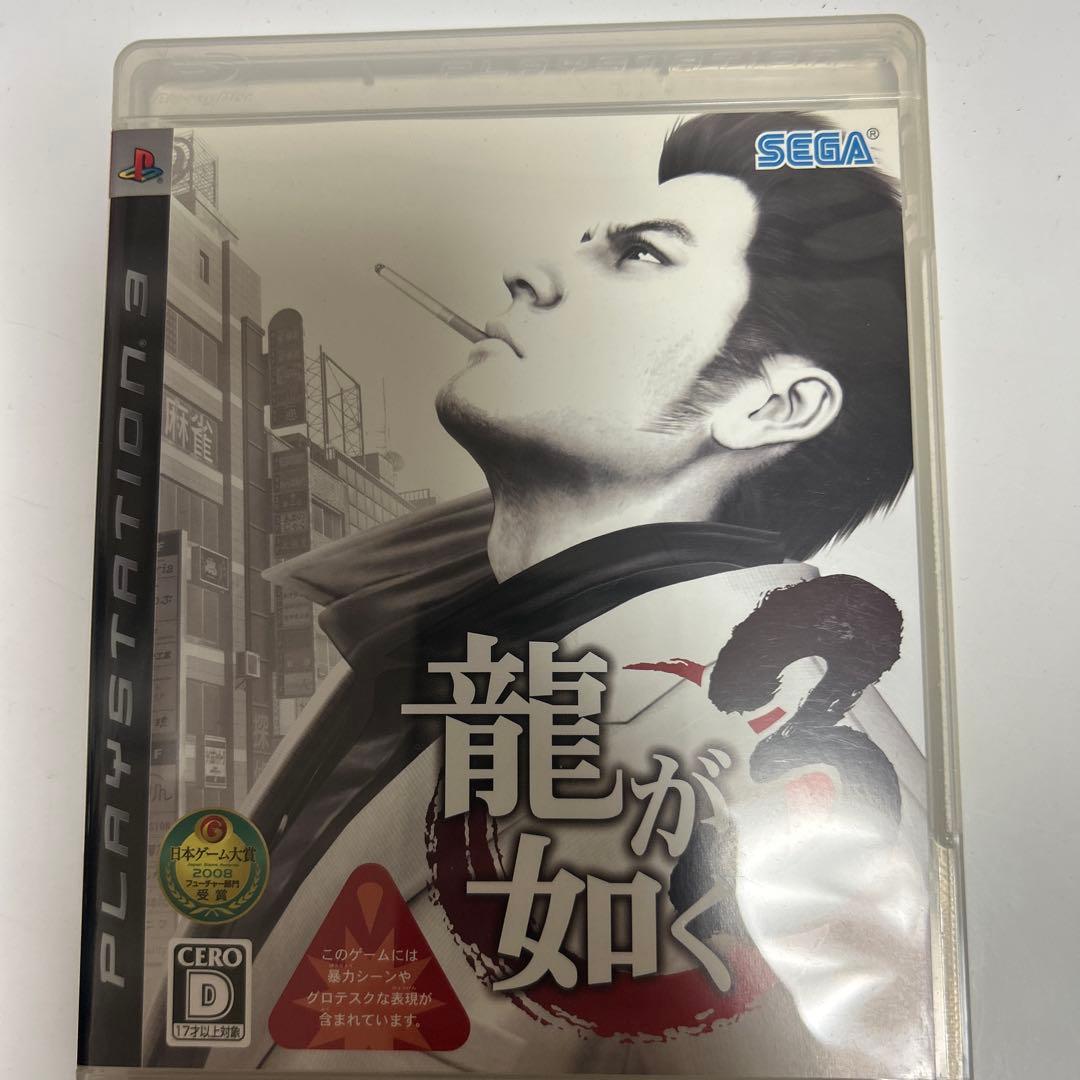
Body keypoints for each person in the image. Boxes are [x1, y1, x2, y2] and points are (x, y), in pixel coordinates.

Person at [152, 111, 931, 1077]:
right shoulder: (465, 645)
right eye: (587, 243)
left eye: (639, 255)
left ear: (773, 405)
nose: (527, 275)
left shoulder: (783, 761)